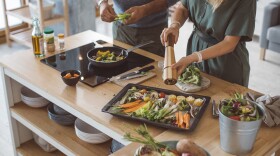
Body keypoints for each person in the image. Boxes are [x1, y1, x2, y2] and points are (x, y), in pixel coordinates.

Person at [160, 0, 256, 87]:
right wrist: (174, 25)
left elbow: (229, 43)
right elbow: (183, 8)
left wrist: (193, 57)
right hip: (195, 47)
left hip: (225, 61)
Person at [98, 0, 178, 57]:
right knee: (119, 69)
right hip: (121, 29)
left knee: (154, 74)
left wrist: (146, 10)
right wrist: (102, 2)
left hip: (154, 32)